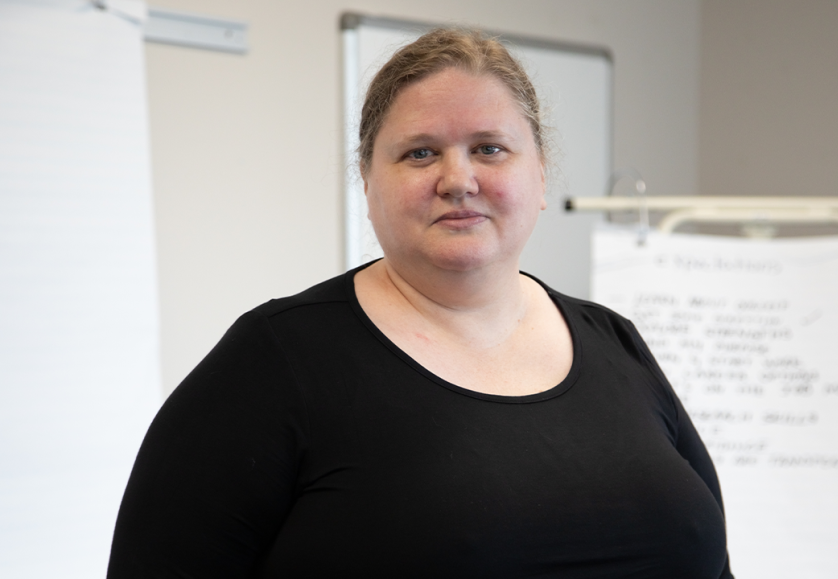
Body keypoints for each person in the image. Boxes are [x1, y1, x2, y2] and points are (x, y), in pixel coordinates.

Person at [107, 28, 733, 578]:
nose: (458, 179)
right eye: (420, 152)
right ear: (369, 182)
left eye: (490, 148)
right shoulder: (276, 361)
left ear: (540, 176)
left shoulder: (615, 343)